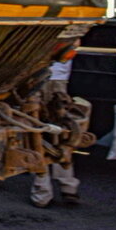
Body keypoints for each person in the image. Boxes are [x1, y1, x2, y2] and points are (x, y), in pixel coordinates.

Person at [30, 57, 83, 207]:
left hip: (35, 76)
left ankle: (42, 192)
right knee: (61, 133)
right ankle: (67, 186)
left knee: (36, 132)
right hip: (57, 78)